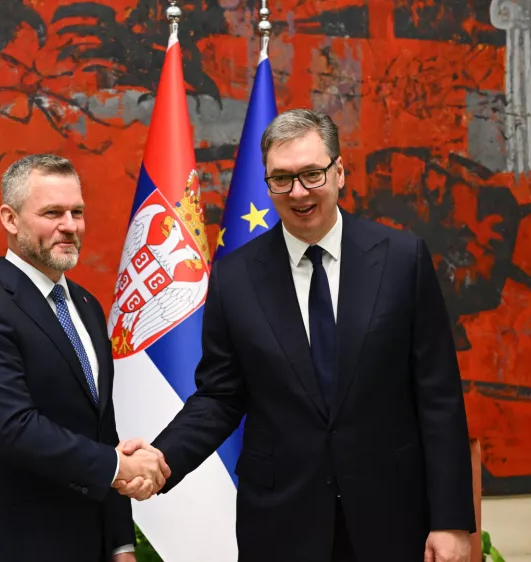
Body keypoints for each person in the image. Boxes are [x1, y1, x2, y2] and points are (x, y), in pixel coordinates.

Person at [116, 109, 476, 562]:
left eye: (312, 174)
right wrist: (162, 457)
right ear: (266, 183)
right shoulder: (235, 278)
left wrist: (451, 521)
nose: (298, 192)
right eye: (281, 179)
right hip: (281, 524)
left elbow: (438, 397)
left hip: (391, 516)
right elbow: (220, 397)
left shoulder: (403, 260)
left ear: (339, 172)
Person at [0, 154, 170, 562]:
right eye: (52, 213)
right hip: (16, 545)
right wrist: (117, 468)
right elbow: (11, 428)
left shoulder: (85, 306)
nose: (70, 226)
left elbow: (104, 428)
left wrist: (120, 544)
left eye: (77, 212)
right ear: (10, 219)